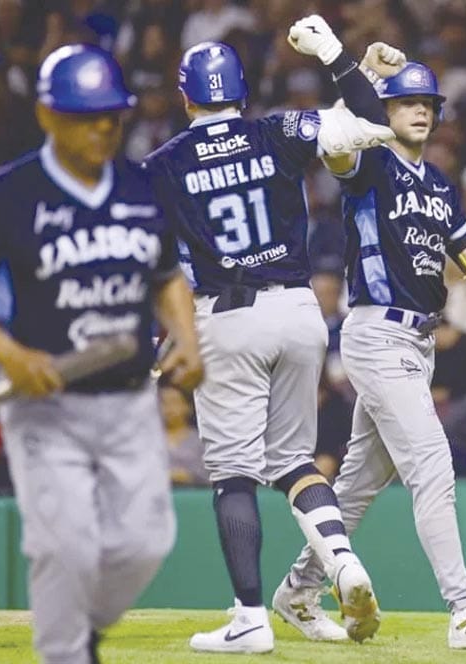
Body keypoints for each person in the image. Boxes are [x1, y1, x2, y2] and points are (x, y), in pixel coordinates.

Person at [0, 44, 203, 664]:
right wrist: (10, 354)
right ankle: (66, 654)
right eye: (86, 116)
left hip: (129, 401)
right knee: (67, 547)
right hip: (46, 404)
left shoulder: (143, 187)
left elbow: (166, 278)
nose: (103, 127)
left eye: (112, 115)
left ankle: (81, 635)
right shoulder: (7, 195)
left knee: (146, 543)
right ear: (47, 116)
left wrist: (185, 337)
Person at [279, 59, 466, 651]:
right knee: (432, 463)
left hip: (419, 341)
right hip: (377, 334)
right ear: (384, 110)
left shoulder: (436, 182)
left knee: (358, 483)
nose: (420, 111)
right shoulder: (370, 162)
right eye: (407, 102)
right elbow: (338, 147)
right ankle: (464, 610)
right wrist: (344, 63)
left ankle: (298, 589)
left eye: (428, 104)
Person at [145, 16, 399, 653]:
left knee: (234, 474)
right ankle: (341, 560)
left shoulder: (162, 164)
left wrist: (155, 334)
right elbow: (375, 123)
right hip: (299, 311)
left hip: (226, 318)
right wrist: (335, 54)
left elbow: (146, 262)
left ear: (186, 97)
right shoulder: (277, 129)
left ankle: (250, 619)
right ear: (242, 89)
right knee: (293, 462)